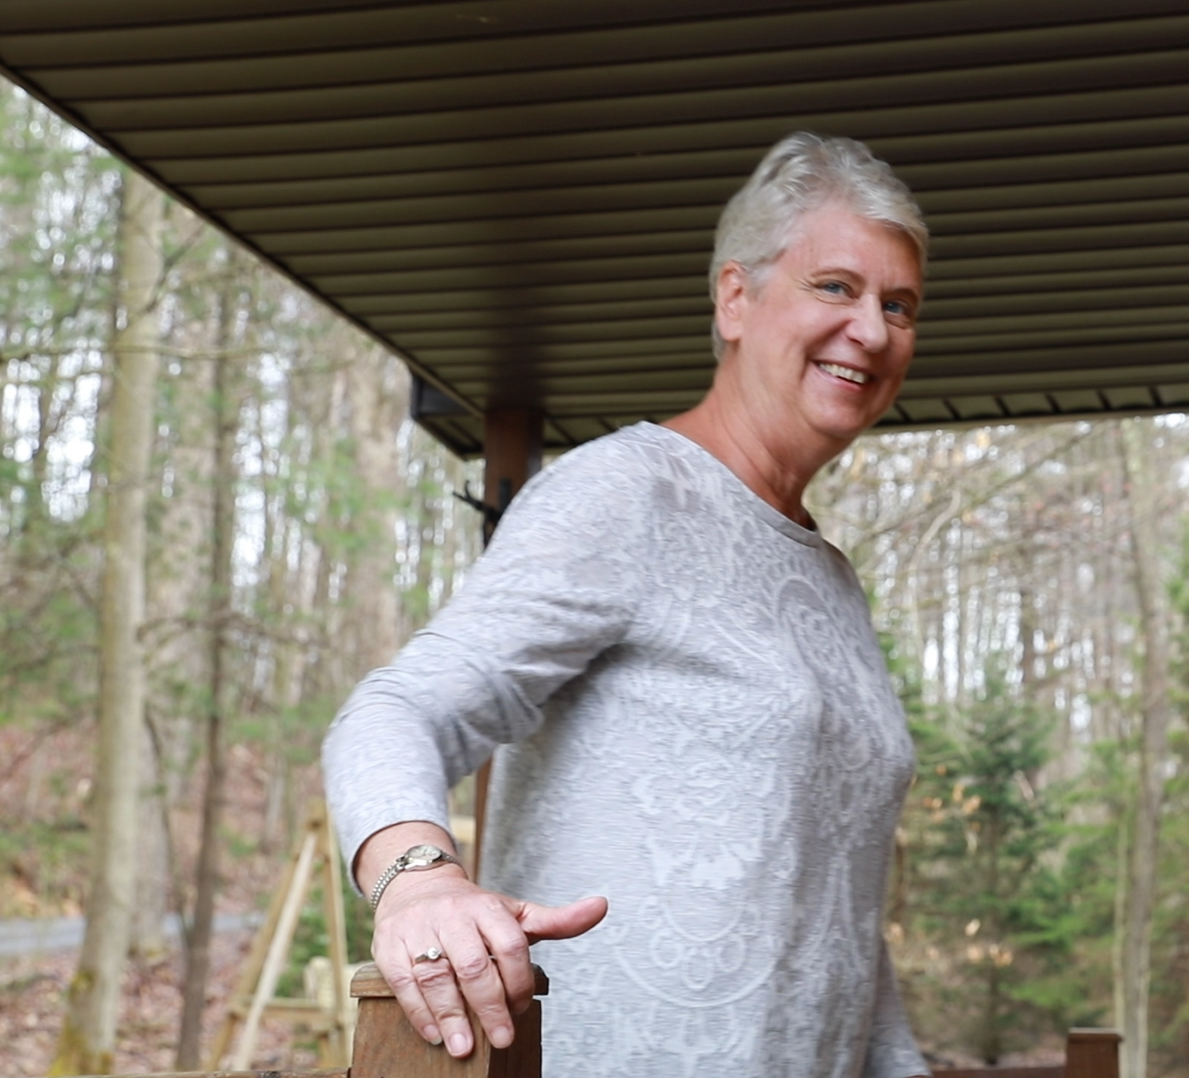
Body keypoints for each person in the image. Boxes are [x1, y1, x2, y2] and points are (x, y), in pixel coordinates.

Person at [323, 132, 932, 1078]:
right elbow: (398, 710)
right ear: (736, 297)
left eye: (899, 305)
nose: (873, 328)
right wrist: (419, 881)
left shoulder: (833, 583)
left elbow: (834, 920)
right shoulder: (628, 493)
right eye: (836, 287)